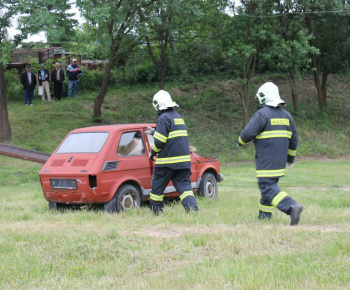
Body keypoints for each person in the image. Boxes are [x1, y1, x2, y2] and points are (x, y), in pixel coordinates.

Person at [237, 82, 303, 226]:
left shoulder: (262, 114)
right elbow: (294, 140)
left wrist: (240, 142)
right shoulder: (287, 115)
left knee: (267, 187)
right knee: (269, 188)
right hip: (279, 162)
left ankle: (291, 207)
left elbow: (248, 133)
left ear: (263, 97)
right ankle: (264, 218)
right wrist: (290, 159)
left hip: (266, 160)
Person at [149, 90, 198, 214]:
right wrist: (154, 132)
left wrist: (152, 152)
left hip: (167, 163)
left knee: (157, 189)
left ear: (158, 105)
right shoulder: (178, 117)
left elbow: (160, 142)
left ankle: (156, 212)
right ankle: (192, 210)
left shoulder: (163, 118)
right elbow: (172, 137)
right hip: (183, 163)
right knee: (185, 188)